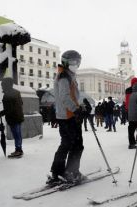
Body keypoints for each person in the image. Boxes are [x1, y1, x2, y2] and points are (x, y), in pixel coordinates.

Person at [47, 50, 86, 185]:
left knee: (70, 144)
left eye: (78, 62)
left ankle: (63, 171)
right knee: (74, 145)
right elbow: (64, 97)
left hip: (69, 115)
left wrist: (81, 106)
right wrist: (76, 109)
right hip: (68, 116)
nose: (77, 65)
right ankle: (69, 172)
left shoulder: (68, 75)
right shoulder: (64, 76)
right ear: (66, 62)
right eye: (74, 62)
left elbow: (73, 96)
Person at [0, 77, 25, 158]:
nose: (2, 86)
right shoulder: (17, 92)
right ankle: (19, 149)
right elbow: (21, 103)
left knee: (16, 135)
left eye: (3, 85)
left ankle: (18, 150)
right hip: (18, 116)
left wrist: (1, 113)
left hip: (13, 118)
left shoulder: (8, 94)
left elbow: (9, 108)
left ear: (6, 85)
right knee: (18, 134)